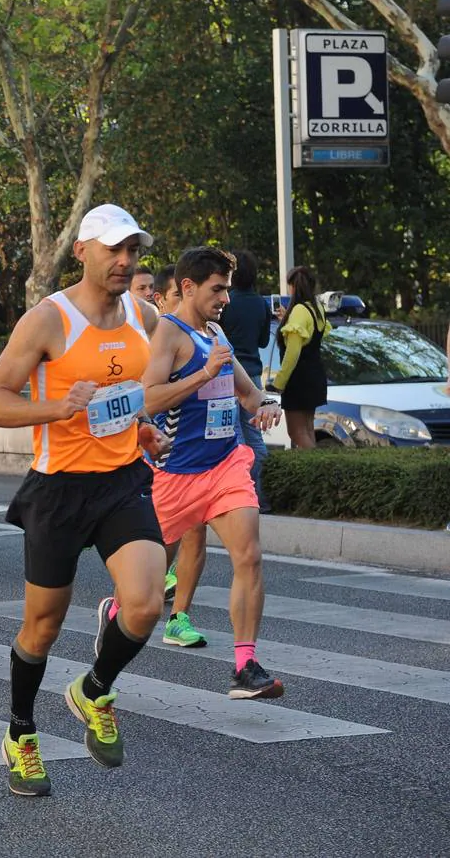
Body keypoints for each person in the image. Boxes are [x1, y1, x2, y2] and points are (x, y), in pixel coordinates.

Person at [0, 203, 170, 797]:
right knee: (42, 626)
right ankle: (21, 733)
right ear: (82, 250)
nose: (125, 260)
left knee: (142, 604)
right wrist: (57, 409)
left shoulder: (144, 314)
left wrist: (140, 428)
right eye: (113, 249)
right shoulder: (47, 320)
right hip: (59, 488)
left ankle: (93, 688)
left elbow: (127, 397)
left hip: (121, 481)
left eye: (132, 250)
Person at [104, 246, 284, 699]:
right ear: (188, 287)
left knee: (249, 555)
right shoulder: (169, 333)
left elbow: (246, 394)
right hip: (173, 477)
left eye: (226, 288)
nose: (225, 297)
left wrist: (264, 406)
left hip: (225, 465)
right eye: (217, 289)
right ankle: (114, 616)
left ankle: (245, 665)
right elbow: (151, 398)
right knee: (140, 595)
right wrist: (203, 375)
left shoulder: (216, 332)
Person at [218, 248, 271, 510]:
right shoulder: (261, 303)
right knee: (256, 438)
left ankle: (240, 499)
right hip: (254, 374)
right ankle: (262, 496)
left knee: (234, 437)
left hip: (227, 372)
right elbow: (263, 340)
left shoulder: (226, 302)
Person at [271, 265, 330, 450]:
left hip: (298, 380)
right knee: (308, 429)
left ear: (293, 287)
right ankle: (316, 474)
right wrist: (286, 321)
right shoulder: (317, 307)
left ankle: (317, 472)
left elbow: (293, 353)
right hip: (315, 376)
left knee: (296, 432)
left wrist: (279, 382)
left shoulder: (298, 310)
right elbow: (309, 335)